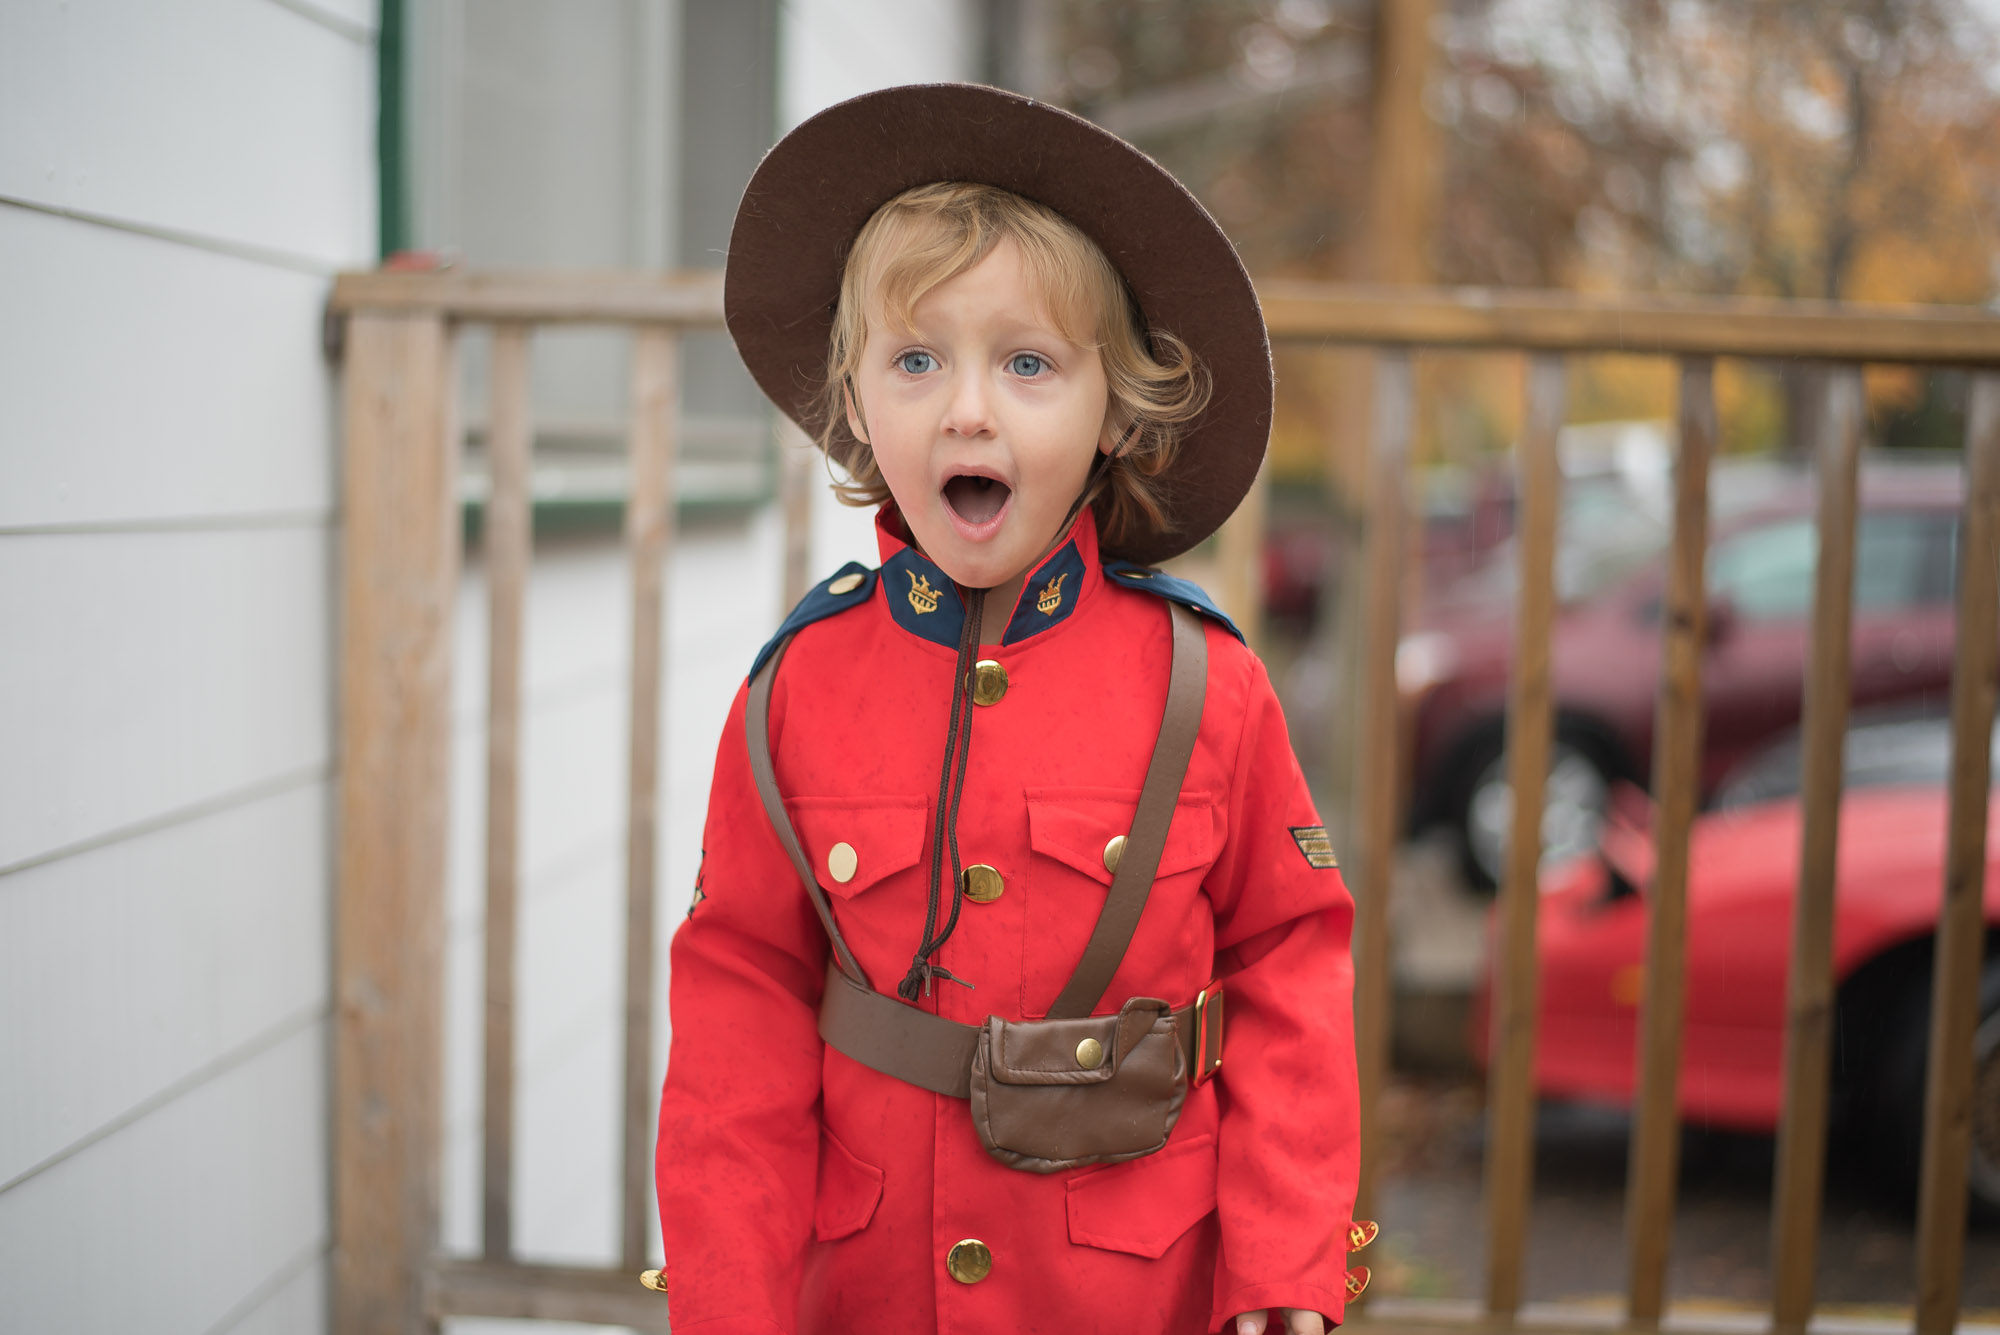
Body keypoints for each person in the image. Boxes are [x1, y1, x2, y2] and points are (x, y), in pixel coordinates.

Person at [653, 83, 1367, 1334]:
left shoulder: (1207, 686)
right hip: (866, 1296)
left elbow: (1285, 968)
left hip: (1135, 1291)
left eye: (1027, 363)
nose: (966, 408)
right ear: (856, 400)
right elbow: (739, 1011)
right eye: (915, 359)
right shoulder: (793, 691)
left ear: (1112, 413)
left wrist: (1282, 1268)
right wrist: (727, 1305)